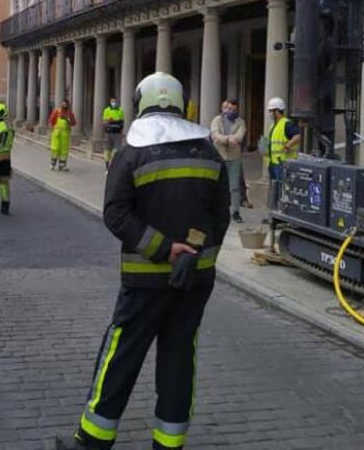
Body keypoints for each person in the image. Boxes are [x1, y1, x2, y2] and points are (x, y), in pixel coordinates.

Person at [56, 72, 230, 450]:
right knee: (180, 358)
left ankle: (92, 439)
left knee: (122, 355)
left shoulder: (132, 150)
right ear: (181, 103)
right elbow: (219, 215)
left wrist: (164, 249)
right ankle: (169, 444)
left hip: (145, 280)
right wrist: (191, 249)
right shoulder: (208, 149)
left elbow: (116, 213)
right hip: (195, 280)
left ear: (142, 103)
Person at [210, 99, 247, 224]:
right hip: (219, 157)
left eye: (234, 110)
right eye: (229, 109)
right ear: (224, 108)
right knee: (217, 184)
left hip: (234, 158)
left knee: (234, 186)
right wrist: (228, 140)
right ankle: (216, 210)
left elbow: (240, 136)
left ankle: (235, 212)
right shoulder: (217, 120)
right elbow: (215, 135)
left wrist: (226, 139)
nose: (231, 111)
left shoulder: (241, 122)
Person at [266, 97, 301, 210]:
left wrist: (287, 146)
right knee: (275, 189)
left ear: (278, 111)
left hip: (283, 163)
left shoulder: (287, 124)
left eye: (271, 111)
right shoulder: (273, 126)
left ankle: (283, 211)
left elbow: (297, 136)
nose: (270, 113)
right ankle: (274, 210)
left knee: (283, 189)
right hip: (273, 162)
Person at [49, 99, 77, 171]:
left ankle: (62, 165)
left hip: (65, 135)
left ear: (68, 105)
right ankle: (52, 164)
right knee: (55, 149)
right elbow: (51, 121)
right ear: (61, 104)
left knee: (64, 151)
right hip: (57, 134)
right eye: (63, 104)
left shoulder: (70, 114)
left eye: (66, 104)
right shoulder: (57, 112)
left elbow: (74, 123)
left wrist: (68, 120)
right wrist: (52, 130)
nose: (64, 105)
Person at [102, 98, 124, 170]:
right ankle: (107, 166)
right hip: (108, 133)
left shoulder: (120, 110)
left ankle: (114, 165)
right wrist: (108, 121)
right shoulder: (107, 110)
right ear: (110, 102)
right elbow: (104, 122)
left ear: (117, 102)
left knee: (116, 150)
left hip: (117, 133)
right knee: (107, 149)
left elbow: (122, 122)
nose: (113, 103)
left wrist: (122, 131)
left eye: (114, 101)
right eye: (112, 101)